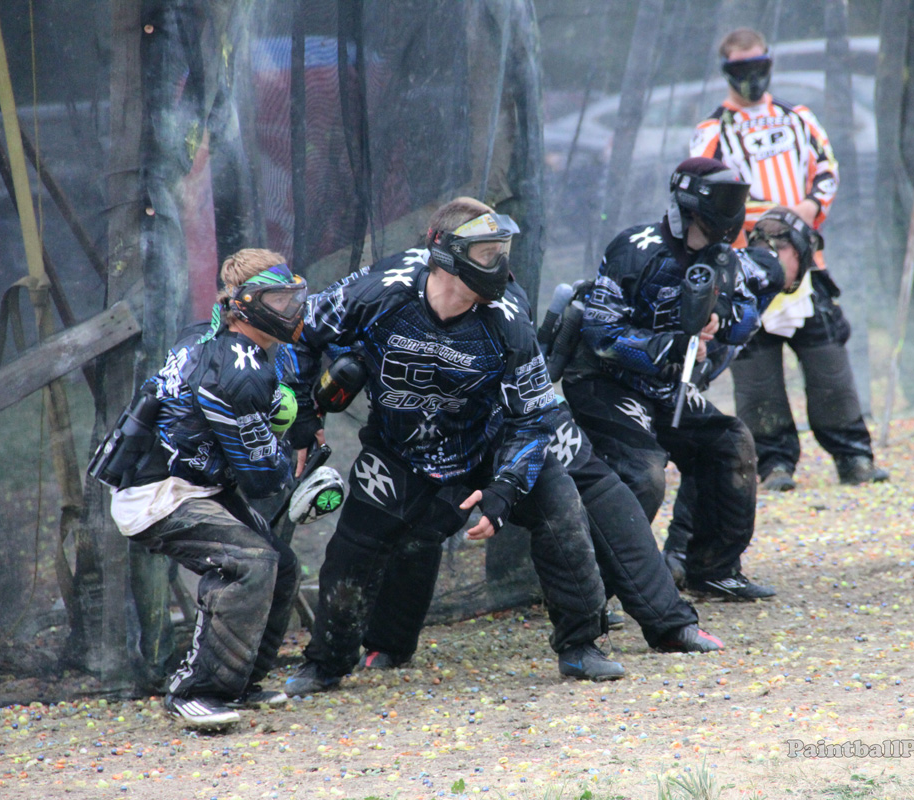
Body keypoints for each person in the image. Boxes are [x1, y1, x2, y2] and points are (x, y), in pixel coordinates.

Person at [283, 197, 624, 692]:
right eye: (487, 253)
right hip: (399, 449)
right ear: (445, 253)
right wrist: (303, 415)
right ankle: (327, 662)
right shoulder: (379, 290)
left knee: (560, 507)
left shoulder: (508, 316)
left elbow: (534, 418)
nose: (499, 265)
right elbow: (299, 332)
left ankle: (580, 646)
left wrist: (505, 487)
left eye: (502, 252)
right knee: (354, 547)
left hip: (488, 442)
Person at [346, 279, 723, 668]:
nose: (491, 263)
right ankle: (388, 643)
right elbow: (331, 336)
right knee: (423, 521)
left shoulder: (506, 294)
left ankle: (659, 622)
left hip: (524, 417)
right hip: (440, 433)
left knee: (597, 490)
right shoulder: (399, 291)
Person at [98, 249, 306, 729]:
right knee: (248, 563)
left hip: (194, 481)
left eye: (293, 297)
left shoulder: (205, 333)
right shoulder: (238, 370)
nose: (292, 309)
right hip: (160, 493)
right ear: (244, 304)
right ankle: (193, 691)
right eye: (278, 300)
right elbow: (262, 479)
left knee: (281, 564)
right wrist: (290, 464)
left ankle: (238, 683)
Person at [561, 156, 779, 601]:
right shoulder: (635, 248)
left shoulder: (725, 259)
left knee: (729, 444)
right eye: (723, 201)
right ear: (690, 205)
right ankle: (591, 591)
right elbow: (601, 333)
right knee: (644, 476)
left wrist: (720, 317)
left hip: (665, 388)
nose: (730, 211)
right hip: (606, 383)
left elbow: (747, 317)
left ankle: (712, 568)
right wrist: (669, 346)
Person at [689, 25, 889, 491]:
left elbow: (827, 170)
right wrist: (771, 223)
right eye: (742, 68)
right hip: (744, 272)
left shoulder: (798, 118)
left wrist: (806, 211)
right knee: (756, 374)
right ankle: (774, 465)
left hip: (807, 268)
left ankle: (854, 457)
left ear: (770, 64)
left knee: (828, 361)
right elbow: (706, 194)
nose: (752, 75)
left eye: (759, 65)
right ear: (726, 71)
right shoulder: (711, 132)